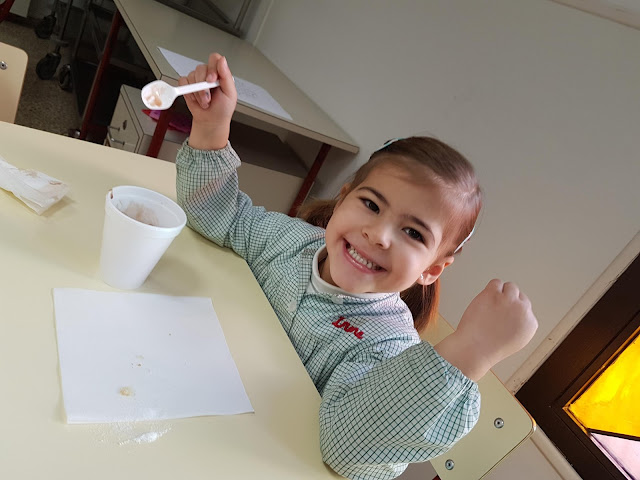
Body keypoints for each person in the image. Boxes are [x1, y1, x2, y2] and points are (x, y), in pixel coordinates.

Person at [175, 53, 538, 480]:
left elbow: (344, 446)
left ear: (432, 270)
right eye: (371, 205)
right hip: (192, 397)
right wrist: (212, 127)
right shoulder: (291, 243)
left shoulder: (385, 345)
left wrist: (470, 351)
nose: (379, 234)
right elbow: (221, 217)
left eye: (413, 233)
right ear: (342, 199)